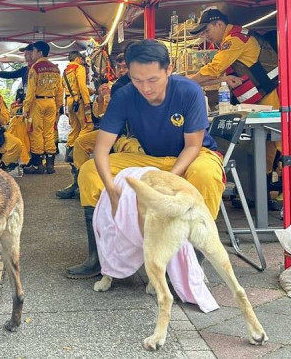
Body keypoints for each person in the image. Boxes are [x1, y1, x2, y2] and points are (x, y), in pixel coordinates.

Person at [66, 40, 225, 279]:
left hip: (192, 156)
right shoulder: (125, 95)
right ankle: (98, 256)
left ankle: (195, 259)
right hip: (148, 157)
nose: (145, 88)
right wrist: (111, 188)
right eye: (137, 80)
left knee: (205, 175)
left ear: (168, 69)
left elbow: (193, 146)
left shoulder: (188, 91)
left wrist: (169, 180)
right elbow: (101, 149)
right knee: (90, 171)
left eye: (152, 80)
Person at [189, 8, 291, 183]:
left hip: (280, 92)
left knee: (287, 144)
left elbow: (212, 69)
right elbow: (217, 74)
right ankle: (261, 191)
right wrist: (222, 78)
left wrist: (186, 82)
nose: (205, 36)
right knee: (265, 145)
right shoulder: (233, 38)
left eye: (207, 30)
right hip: (267, 94)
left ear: (219, 24)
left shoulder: (234, 40)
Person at [56, 53, 142, 199]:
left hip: (126, 134)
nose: (121, 70)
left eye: (125, 67)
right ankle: (78, 183)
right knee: (80, 142)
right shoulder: (109, 86)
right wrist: (101, 98)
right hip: (110, 132)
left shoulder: (138, 84)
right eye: (118, 67)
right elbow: (99, 113)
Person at [23, 41, 64, 174]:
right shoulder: (55, 68)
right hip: (51, 103)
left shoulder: (35, 68)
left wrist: (25, 108)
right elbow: (59, 90)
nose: (32, 53)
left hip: (37, 102)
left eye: (33, 51)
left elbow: (30, 91)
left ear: (40, 52)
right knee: (49, 133)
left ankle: (37, 166)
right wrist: (57, 107)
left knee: (36, 133)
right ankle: (50, 166)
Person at [63, 51, 94, 162]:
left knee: (75, 128)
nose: (82, 61)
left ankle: (69, 152)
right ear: (77, 59)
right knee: (87, 126)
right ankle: (76, 150)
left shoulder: (65, 71)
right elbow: (81, 85)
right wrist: (87, 102)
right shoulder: (79, 68)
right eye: (81, 59)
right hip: (80, 101)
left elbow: (67, 88)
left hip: (70, 101)